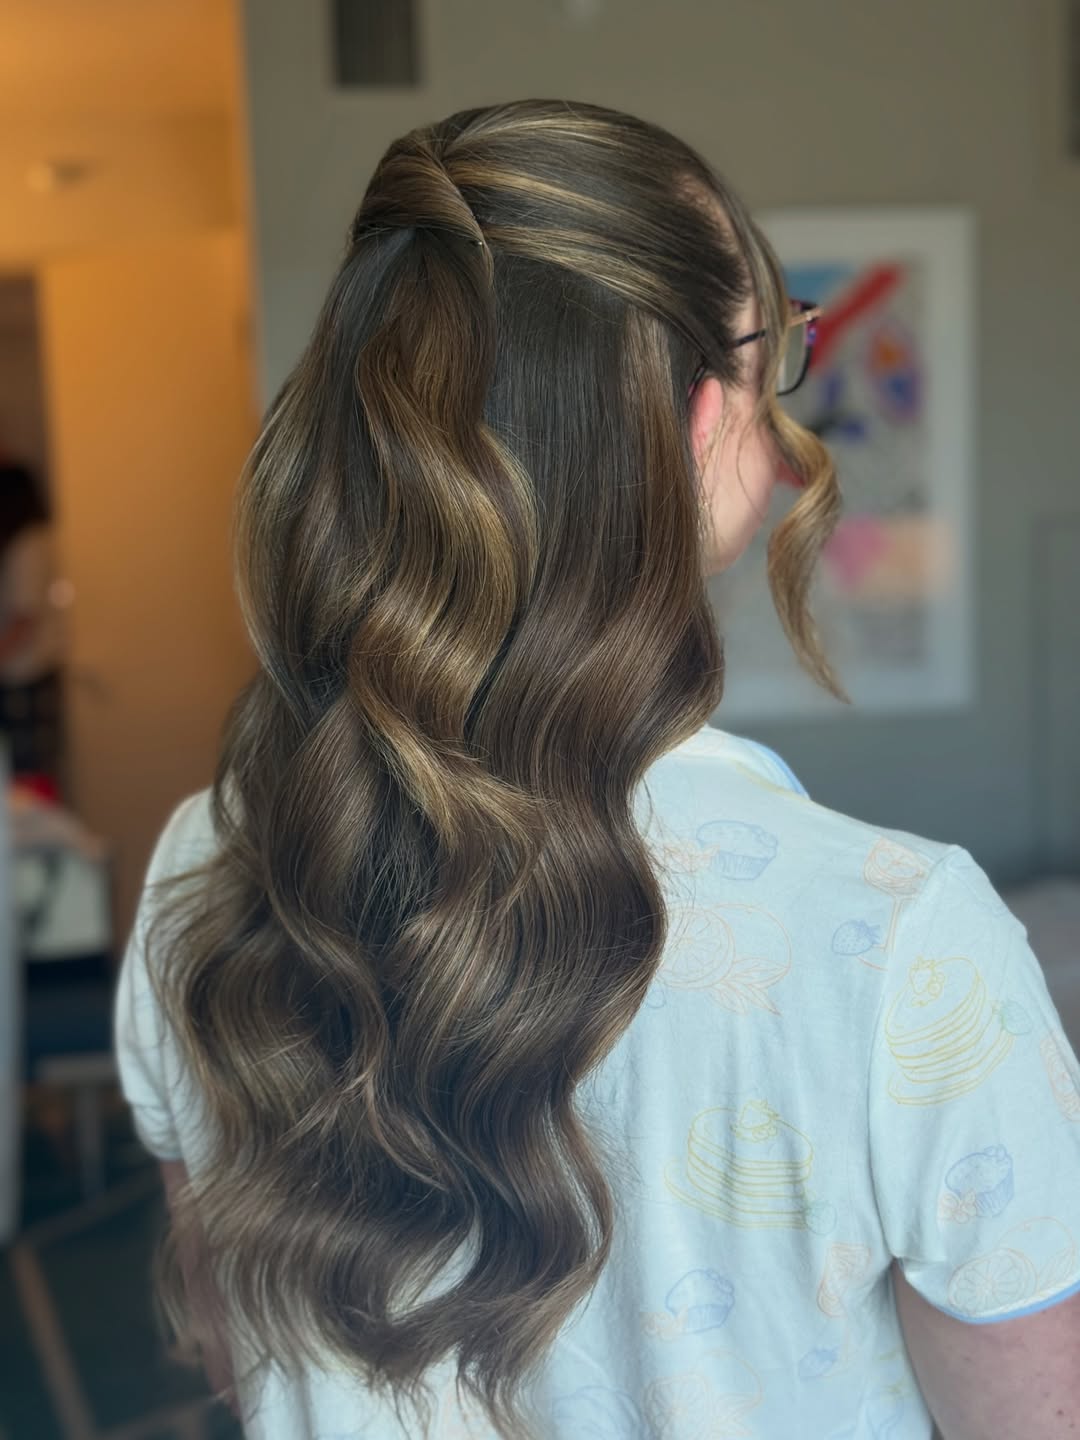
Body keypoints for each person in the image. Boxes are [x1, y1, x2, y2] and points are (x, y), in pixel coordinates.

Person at [112, 100, 1080, 1440]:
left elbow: (243, 1358)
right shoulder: (906, 944)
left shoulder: (200, 867)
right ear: (692, 421)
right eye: (779, 348)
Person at [0, 461, 65, 798]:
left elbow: (24, 619)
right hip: (27, 675)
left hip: (25, 677)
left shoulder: (28, 546)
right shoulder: (33, 542)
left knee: (28, 776)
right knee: (30, 774)